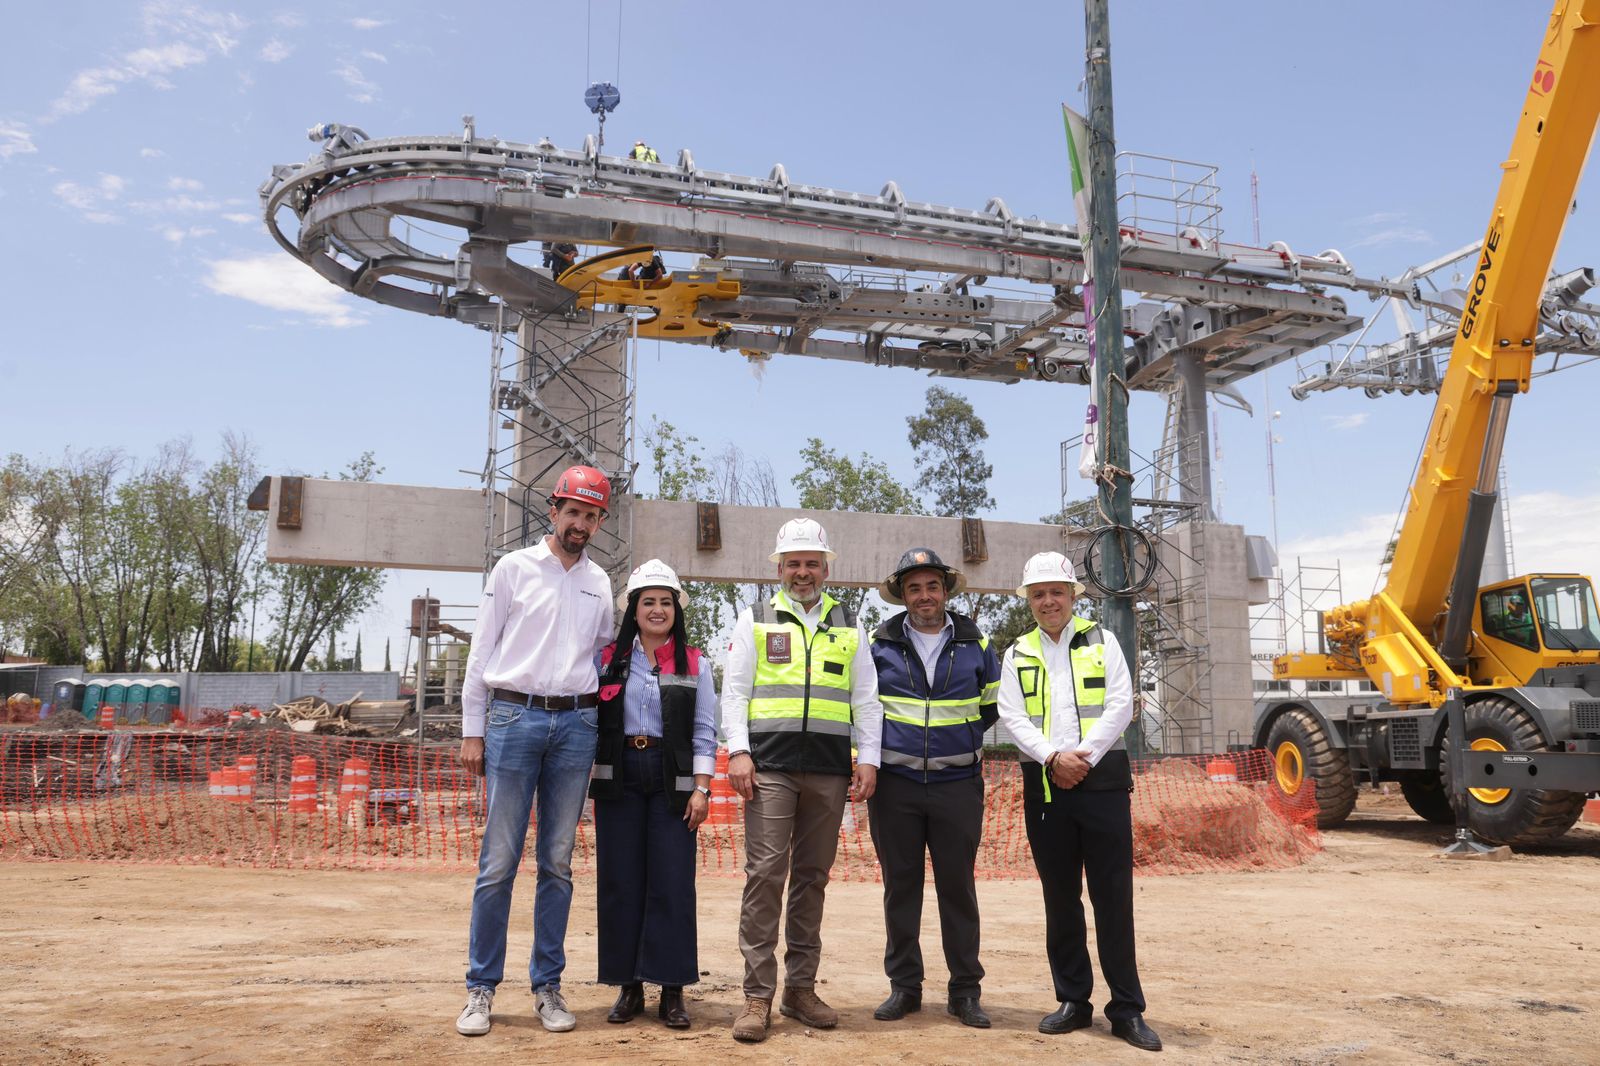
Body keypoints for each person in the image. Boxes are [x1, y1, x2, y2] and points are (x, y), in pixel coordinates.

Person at [455, 465, 616, 1039]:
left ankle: (548, 985)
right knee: (498, 863)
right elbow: (482, 651)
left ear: (600, 521)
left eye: (591, 515)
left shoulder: (600, 584)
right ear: (553, 511)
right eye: (572, 511)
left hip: (575, 725)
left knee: (558, 863)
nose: (580, 522)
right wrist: (473, 730)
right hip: (513, 718)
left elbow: (602, 660)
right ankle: (481, 989)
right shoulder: (514, 569)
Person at [721, 517, 883, 1043]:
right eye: (794, 563)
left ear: (826, 567)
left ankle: (800, 988)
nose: (803, 572)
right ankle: (756, 996)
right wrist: (739, 752)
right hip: (768, 767)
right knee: (766, 874)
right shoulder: (757, 619)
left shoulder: (849, 624)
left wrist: (869, 758)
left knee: (812, 876)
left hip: (830, 769)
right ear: (780, 568)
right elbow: (736, 693)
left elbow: (865, 699)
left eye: (812, 563)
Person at [996, 551, 1161, 1053]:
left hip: (1102, 782)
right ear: (1029, 599)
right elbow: (1011, 715)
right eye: (1039, 593)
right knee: (1060, 898)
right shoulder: (1016, 652)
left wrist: (1081, 758)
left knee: (1113, 898)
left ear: (1072, 596)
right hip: (1048, 788)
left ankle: (1126, 1009)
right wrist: (1052, 759)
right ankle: (1073, 1000)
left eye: (1056, 592)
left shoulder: (1102, 640)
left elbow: (1120, 703)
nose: (1048, 601)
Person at [867, 547, 1001, 1028]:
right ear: (902, 596)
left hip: (957, 785)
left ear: (945, 591)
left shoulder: (976, 644)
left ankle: (965, 991)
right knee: (900, 889)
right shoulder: (877, 645)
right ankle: (904, 988)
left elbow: (990, 707)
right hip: (894, 786)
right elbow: (865, 709)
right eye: (914, 588)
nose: (924, 596)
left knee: (958, 890)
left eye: (932, 586)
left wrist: (954, 744)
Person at [590, 559, 717, 1030]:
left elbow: (705, 729)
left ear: (676, 610)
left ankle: (673, 990)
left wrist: (702, 788)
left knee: (672, 884)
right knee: (621, 882)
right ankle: (628, 986)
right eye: (649, 602)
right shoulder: (607, 660)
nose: (658, 609)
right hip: (619, 776)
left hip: (674, 781)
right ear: (634, 609)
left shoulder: (694, 662)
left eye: (666, 602)